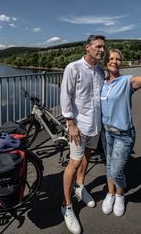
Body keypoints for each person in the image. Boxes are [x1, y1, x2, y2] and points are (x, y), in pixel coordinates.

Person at [100, 38, 141, 217]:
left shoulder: (127, 81)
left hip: (123, 134)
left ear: (121, 63)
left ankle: (120, 195)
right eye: (111, 58)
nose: (114, 61)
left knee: (116, 169)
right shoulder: (102, 84)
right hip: (107, 132)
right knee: (108, 165)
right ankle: (110, 193)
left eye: (118, 59)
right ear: (106, 62)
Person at [60, 34, 106, 234]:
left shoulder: (100, 71)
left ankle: (80, 186)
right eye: (98, 46)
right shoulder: (73, 67)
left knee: (87, 156)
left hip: (95, 125)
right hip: (78, 126)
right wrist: (70, 123)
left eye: (104, 47)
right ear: (87, 47)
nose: (102, 50)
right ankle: (66, 206)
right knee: (75, 162)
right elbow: (65, 96)